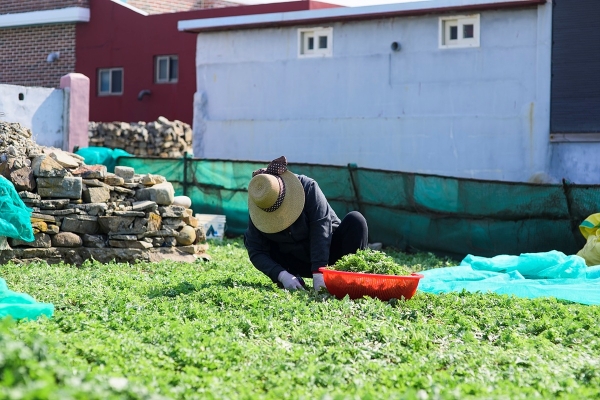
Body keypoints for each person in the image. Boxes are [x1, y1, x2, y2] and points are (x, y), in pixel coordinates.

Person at [243, 156, 368, 291]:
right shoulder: (261, 202)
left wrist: (319, 272)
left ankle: (349, 279)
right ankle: (294, 280)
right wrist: (282, 275)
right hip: (293, 259)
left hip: (329, 253)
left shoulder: (308, 187)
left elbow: (321, 228)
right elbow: (256, 250)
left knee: (356, 220)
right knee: (249, 238)